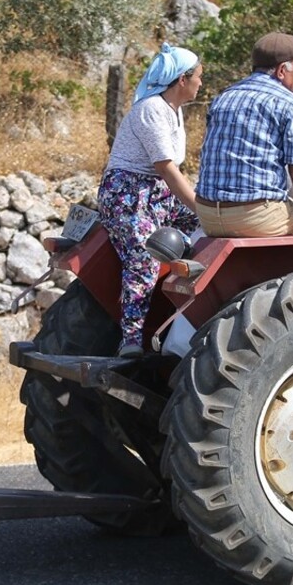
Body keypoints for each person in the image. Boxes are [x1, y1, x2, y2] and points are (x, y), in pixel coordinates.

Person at [193, 32, 293, 246]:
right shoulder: (289, 103)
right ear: (281, 71)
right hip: (254, 218)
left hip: (208, 215)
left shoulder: (223, 97)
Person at [97, 43, 203, 358]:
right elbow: (166, 168)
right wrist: (198, 203)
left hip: (156, 192)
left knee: (206, 227)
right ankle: (130, 340)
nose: (201, 82)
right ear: (182, 80)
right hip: (128, 193)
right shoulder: (151, 109)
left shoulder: (175, 111)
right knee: (144, 257)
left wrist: (208, 212)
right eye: (198, 76)